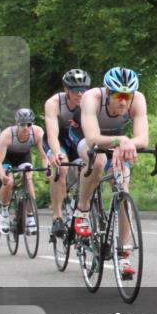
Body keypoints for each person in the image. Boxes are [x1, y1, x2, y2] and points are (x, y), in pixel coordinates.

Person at [69, 66, 149, 279]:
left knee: (123, 184)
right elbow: (93, 138)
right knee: (97, 162)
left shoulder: (137, 99)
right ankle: (82, 210)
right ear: (107, 92)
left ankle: (124, 254)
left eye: (127, 96)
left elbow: (143, 138)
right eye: (118, 96)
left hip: (116, 139)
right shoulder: (91, 98)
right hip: (85, 136)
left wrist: (125, 144)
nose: (124, 101)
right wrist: (120, 141)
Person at [43, 68, 91, 240]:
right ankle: (57, 216)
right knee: (61, 167)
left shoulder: (91, 101)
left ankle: (79, 205)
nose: (80, 94)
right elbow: (52, 135)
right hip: (59, 140)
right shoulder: (54, 103)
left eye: (84, 90)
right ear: (66, 90)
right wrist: (56, 153)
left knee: (88, 168)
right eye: (76, 91)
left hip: (78, 140)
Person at [0, 108, 48, 235]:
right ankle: (5, 211)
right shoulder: (7, 135)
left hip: (24, 156)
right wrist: (2, 176)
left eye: (29, 124)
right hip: (8, 158)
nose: (25, 127)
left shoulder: (38, 132)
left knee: (28, 178)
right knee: (10, 182)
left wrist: (47, 171)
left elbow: (44, 156)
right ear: (17, 124)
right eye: (22, 124)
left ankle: (29, 216)